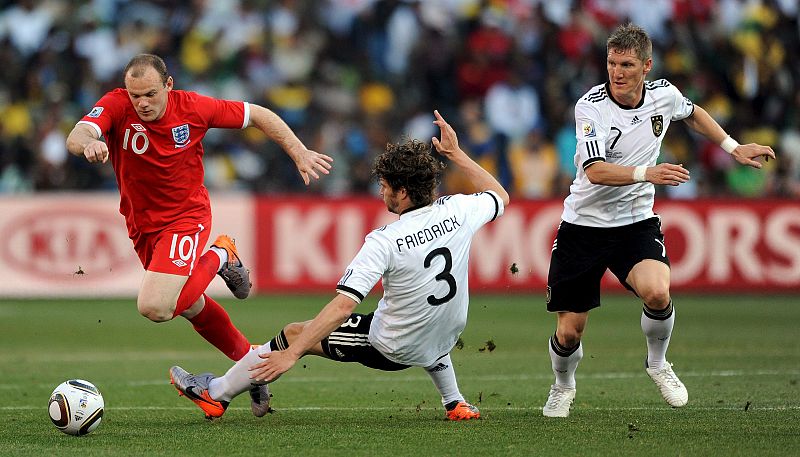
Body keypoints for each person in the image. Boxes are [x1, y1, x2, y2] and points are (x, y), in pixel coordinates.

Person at [168, 110, 510, 421]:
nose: (380, 190)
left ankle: (216, 394)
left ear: (403, 192)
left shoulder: (385, 241)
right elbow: (500, 196)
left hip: (393, 347)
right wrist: (456, 154)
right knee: (419, 317)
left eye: (385, 185)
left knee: (293, 333)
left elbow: (344, 306)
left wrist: (293, 354)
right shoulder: (459, 210)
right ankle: (455, 402)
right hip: (448, 331)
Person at [65, 54, 332, 417]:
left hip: (184, 218)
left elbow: (259, 115)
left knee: (156, 307)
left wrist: (298, 151)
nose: (141, 103)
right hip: (142, 226)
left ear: (168, 86)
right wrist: (89, 143)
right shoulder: (115, 104)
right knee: (191, 305)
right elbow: (77, 135)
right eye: (135, 95)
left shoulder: (194, 108)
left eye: (149, 94)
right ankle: (252, 368)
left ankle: (222, 253)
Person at [542, 23, 775, 418]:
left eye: (627, 65)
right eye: (612, 63)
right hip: (583, 226)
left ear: (646, 66)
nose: (617, 72)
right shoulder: (590, 107)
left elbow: (693, 112)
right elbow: (595, 172)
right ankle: (563, 386)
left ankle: (657, 363)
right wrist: (647, 173)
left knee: (658, 292)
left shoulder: (664, 95)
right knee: (570, 332)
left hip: (634, 222)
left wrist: (733, 147)